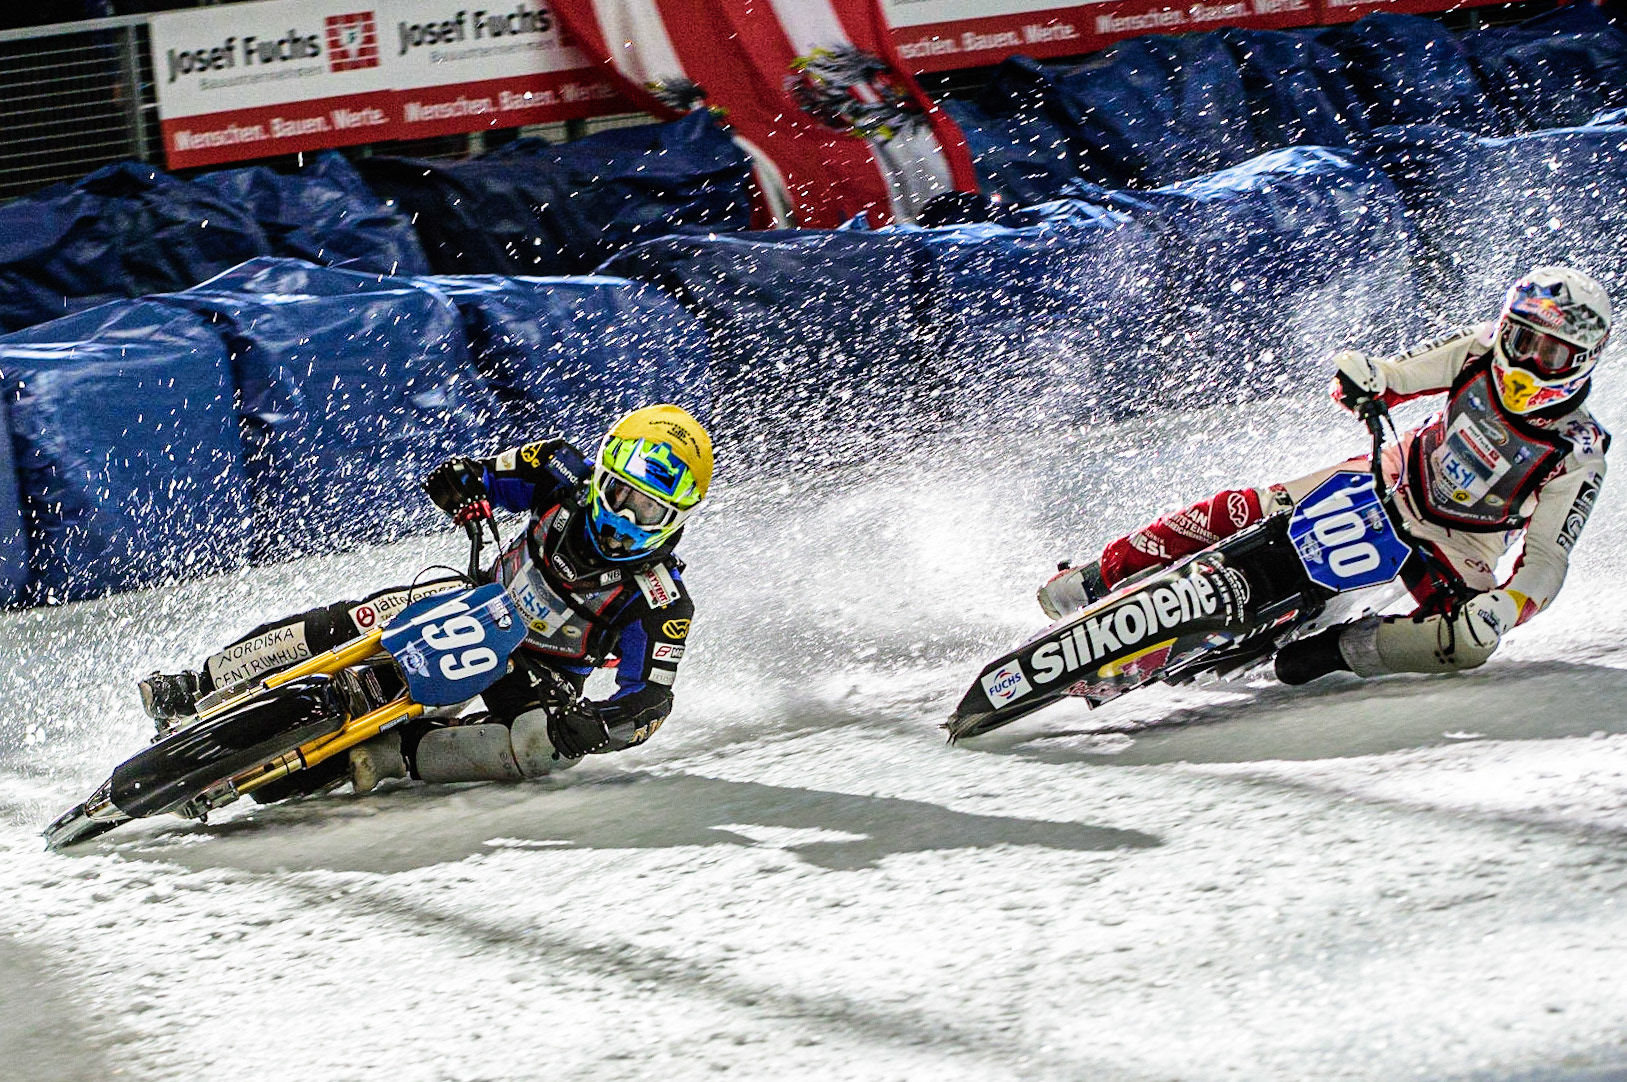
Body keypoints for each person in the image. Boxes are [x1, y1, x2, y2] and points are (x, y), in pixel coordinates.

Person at [1038, 266, 1611, 685]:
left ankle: (1337, 652)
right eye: (1522, 338)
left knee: (1467, 644)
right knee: (1249, 505)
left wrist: (1507, 608)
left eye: (1551, 354)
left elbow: (1546, 562)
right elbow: (1397, 375)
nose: (1528, 360)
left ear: (1583, 361)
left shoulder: (1579, 451)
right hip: (1392, 473)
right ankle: (1099, 575)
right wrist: (1361, 378)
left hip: (1462, 543)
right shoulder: (1480, 350)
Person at [138, 404, 710, 793]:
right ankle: (200, 682)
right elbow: (476, 473)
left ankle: (387, 758)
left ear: (676, 519)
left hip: (542, 673)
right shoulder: (557, 468)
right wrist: (459, 485)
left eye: (649, 513)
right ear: (600, 472)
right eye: (620, 495)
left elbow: (650, 705)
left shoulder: (663, 601)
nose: (626, 523)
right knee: (361, 617)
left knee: (544, 748)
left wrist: (597, 727)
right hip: (476, 598)